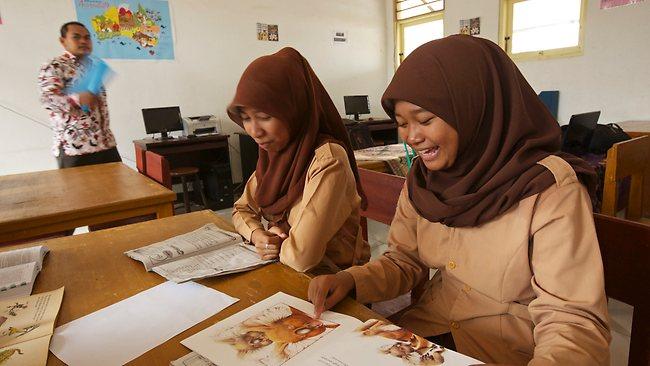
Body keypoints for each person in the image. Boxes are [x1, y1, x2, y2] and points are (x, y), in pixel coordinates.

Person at [308, 35, 610, 365]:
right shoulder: (424, 178)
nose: (412, 137)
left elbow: (572, 323)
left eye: (424, 120)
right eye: (402, 124)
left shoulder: (549, 188)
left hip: (506, 351)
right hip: (426, 334)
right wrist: (351, 279)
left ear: (473, 107)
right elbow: (404, 260)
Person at [230, 47, 370, 274]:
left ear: (295, 110)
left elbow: (301, 257)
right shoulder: (276, 154)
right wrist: (258, 235)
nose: (254, 131)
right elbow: (241, 209)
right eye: (245, 118)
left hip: (332, 282)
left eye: (265, 117)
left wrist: (276, 244)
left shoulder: (328, 160)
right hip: (286, 273)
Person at [38, 21, 120, 168]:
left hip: (106, 145)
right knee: (78, 192)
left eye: (87, 37)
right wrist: (76, 98)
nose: (83, 41)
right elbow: (47, 99)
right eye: (76, 37)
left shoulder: (93, 66)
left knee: (118, 190)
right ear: (63, 41)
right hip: (75, 149)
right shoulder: (55, 66)